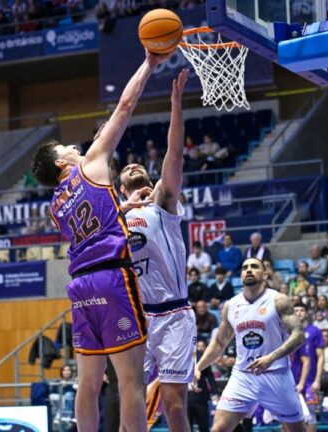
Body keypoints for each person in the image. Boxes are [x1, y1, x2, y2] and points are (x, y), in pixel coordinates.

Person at [30, 49, 174, 432]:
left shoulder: (55, 204)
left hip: (80, 287)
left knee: (89, 382)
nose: (76, 149)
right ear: (62, 164)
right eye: (67, 150)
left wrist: (123, 207)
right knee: (131, 381)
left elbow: (93, 225)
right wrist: (149, 63)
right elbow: (125, 106)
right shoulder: (92, 161)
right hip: (113, 280)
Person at [120, 69, 193, 432]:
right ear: (120, 189)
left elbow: (175, 156)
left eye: (138, 166)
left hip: (174, 314)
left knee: (174, 405)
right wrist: (122, 209)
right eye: (126, 168)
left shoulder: (161, 202)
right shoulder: (115, 215)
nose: (132, 164)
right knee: (129, 406)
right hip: (136, 317)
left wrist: (176, 104)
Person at [195, 258, 306, 432]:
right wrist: (199, 367)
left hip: (276, 374)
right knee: (218, 429)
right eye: (245, 267)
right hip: (243, 376)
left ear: (264, 274)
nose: (248, 270)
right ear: (240, 275)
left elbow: (299, 335)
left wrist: (271, 358)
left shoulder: (278, 300)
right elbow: (219, 342)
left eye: (254, 267)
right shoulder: (231, 305)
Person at [290, 302, 323, 432]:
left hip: (310, 382)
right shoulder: (288, 332)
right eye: (296, 310)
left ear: (306, 313)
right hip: (292, 380)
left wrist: (318, 380)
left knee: (311, 415)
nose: (299, 313)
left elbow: (321, 357)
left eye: (302, 310)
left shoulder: (314, 331)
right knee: (290, 416)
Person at [187, 339, 217, 432]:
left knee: (203, 424)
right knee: (186, 426)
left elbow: (210, 376)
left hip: (200, 396)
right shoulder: (179, 355)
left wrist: (214, 392)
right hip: (185, 396)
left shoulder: (201, 356)